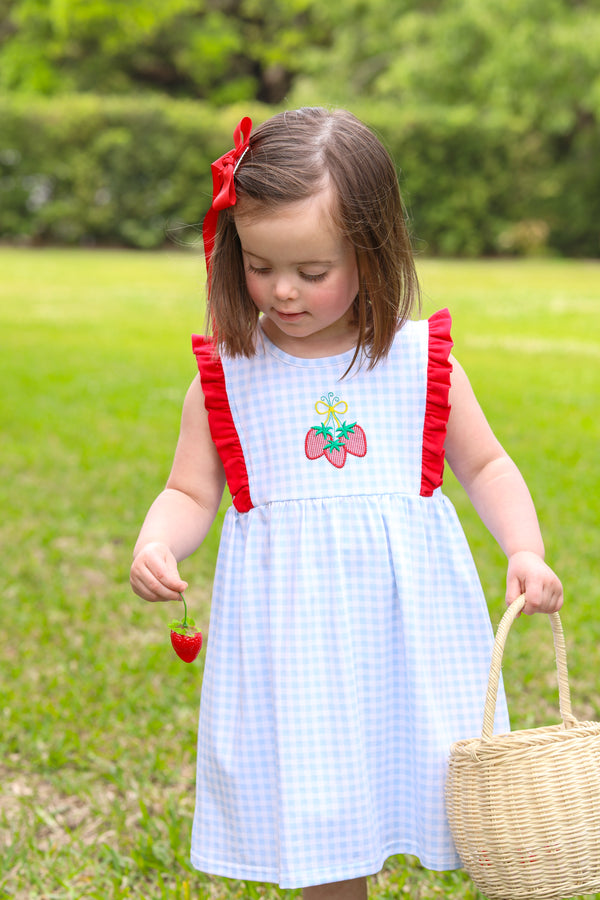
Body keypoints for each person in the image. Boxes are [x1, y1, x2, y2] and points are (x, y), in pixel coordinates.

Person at [130, 107, 563, 900]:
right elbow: (189, 489)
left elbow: (489, 465)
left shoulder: (418, 362)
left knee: (443, 795)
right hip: (292, 645)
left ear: (373, 252)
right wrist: (160, 541)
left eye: (313, 270)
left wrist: (524, 550)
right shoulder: (228, 375)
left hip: (413, 636)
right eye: (260, 266)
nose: (283, 290)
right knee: (321, 825)